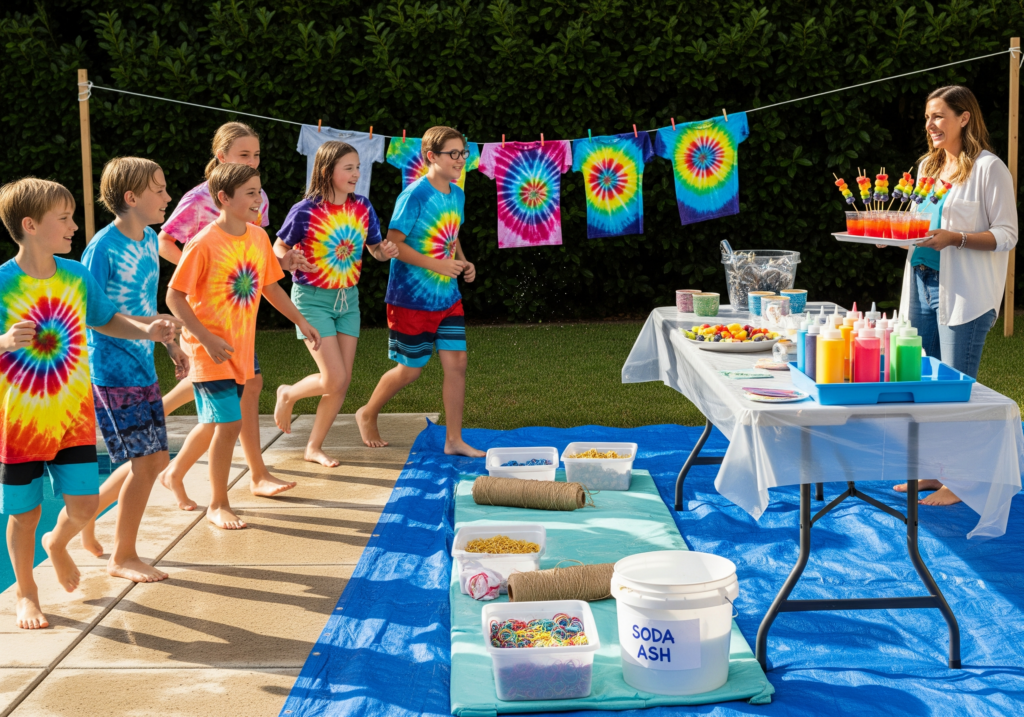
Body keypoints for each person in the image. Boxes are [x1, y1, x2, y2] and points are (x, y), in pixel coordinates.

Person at [0, 177, 178, 628]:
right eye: (64, 219)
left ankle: (57, 543)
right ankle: (26, 592)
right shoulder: (3, 283)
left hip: (72, 418)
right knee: (25, 513)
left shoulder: (75, 276)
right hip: (21, 423)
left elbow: (106, 319)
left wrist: (146, 330)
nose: (74, 226)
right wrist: (4, 341)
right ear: (30, 225)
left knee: (83, 505)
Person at [156, 121, 313, 504]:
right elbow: (174, 286)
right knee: (226, 420)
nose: (259, 199)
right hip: (208, 339)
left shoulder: (256, 228)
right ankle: (222, 499)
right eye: (245, 156)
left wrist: (300, 317)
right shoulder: (202, 231)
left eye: (256, 156)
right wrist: (206, 297)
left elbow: (267, 280)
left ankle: (177, 472)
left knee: (224, 416)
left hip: (239, 341)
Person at [52, 158, 190, 583]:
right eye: (159, 190)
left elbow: (145, 304)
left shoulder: (148, 239)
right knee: (147, 464)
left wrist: (168, 342)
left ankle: (77, 527)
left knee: (149, 461)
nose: (168, 197)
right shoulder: (102, 249)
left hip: (142, 366)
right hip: (112, 372)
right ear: (131, 197)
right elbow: (91, 315)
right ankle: (119, 554)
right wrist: (152, 328)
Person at [892, 85, 1018, 506]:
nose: (930, 125)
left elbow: (1007, 235)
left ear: (964, 118)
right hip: (921, 282)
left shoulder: (989, 169)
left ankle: (962, 482)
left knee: (954, 388)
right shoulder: (927, 167)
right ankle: (933, 470)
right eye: (927, 117)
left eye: (939, 116)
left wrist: (955, 238)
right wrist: (890, 233)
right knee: (923, 382)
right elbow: (917, 225)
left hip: (963, 293)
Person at [355, 126, 484, 457]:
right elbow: (394, 244)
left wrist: (463, 261)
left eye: (463, 153)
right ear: (431, 156)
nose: (460, 159)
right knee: (410, 370)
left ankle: (453, 440)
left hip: (448, 297)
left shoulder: (457, 194)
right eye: (453, 153)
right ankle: (367, 412)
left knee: (457, 363)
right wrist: (437, 265)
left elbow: (450, 233)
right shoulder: (414, 195)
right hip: (411, 299)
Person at [271, 141, 399, 466]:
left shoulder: (363, 207)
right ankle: (287, 393)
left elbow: (375, 249)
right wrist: (287, 260)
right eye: (349, 168)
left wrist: (385, 251)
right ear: (328, 171)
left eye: (358, 168)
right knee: (334, 378)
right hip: (312, 301)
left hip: (348, 301)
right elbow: (277, 248)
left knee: (341, 382)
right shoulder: (305, 210)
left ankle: (313, 447)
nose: (356, 174)